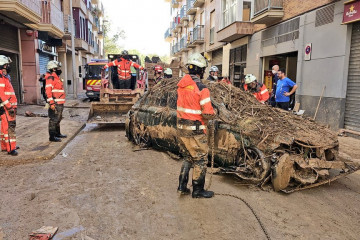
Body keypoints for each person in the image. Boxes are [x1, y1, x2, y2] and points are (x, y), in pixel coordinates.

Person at [177, 53, 216, 199]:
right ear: (200, 70)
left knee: (188, 158)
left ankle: (182, 187)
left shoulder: (181, 86)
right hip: (196, 131)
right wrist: (214, 113)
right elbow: (207, 113)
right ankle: (198, 190)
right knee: (200, 159)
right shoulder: (202, 88)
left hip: (181, 129)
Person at [0, 55, 18, 156]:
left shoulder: (4, 77)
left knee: (4, 128)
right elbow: (1, 93)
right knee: (9, 128)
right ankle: (11, 148)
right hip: (7, 108)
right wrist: (9, 106)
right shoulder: (1, 78)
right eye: (6, 65)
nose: (8, 66)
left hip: (7, 107)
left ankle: (4, 146)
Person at [45, 60, 67, 142]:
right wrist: (51, 103)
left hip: (60, 102)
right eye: (57, 68)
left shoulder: (56, 77)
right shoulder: (50, 78)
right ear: (53, 69)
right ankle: (52, 136)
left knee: (58, 118)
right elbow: (48, 91)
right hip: (55, 102)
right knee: (53, 119)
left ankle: (58, 133)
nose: (59, 69)